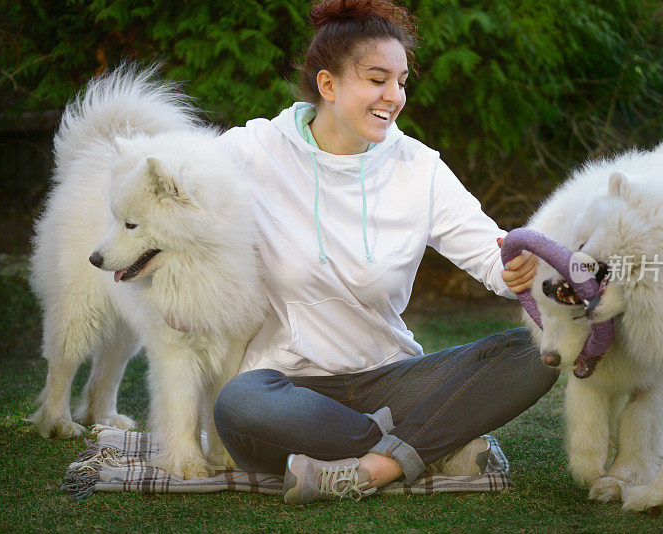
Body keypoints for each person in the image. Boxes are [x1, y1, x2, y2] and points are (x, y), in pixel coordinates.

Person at [212, 0, 558, 505]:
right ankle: (431, 448)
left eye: (401, 81)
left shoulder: (419, 166)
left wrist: (520, 267)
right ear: (328, 85)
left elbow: (489, 253)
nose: (394, 96)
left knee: (537, 349)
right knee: (240, 402)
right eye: (377, 79)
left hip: (391, 379)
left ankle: (374, 466)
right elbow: (176, 198)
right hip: (290, 388)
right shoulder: (252, 151)